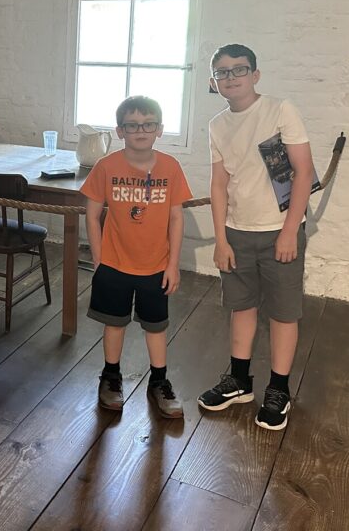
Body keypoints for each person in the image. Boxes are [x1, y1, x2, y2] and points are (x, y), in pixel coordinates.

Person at [197, 43, 314, 431]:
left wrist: (289, 232)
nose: (231, 77)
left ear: (255, 74)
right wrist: (220, 238)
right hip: (237, 231)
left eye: (239, 69)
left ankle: (278, 389)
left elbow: (302, 172)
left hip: (278, 231)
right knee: (241, 307)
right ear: (214, 82)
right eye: (222, 72)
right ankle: (240, 380)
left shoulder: (280, 110)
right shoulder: (217, 125)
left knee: (283, 311)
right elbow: (219, 184)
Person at [81, 95, 193, 418]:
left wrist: (173, 264)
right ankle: (111, 377)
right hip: (114, 264)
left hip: (156, 266)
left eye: (148, 124)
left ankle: (158, 382)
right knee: (114, 324)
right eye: (132, 125)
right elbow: (91, 215)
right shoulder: (106, 167)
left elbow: (176, 218)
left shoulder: (171, 168)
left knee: (155, 327)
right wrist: (99, 259)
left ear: (159, 129)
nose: (140, 131)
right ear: (120, 130)